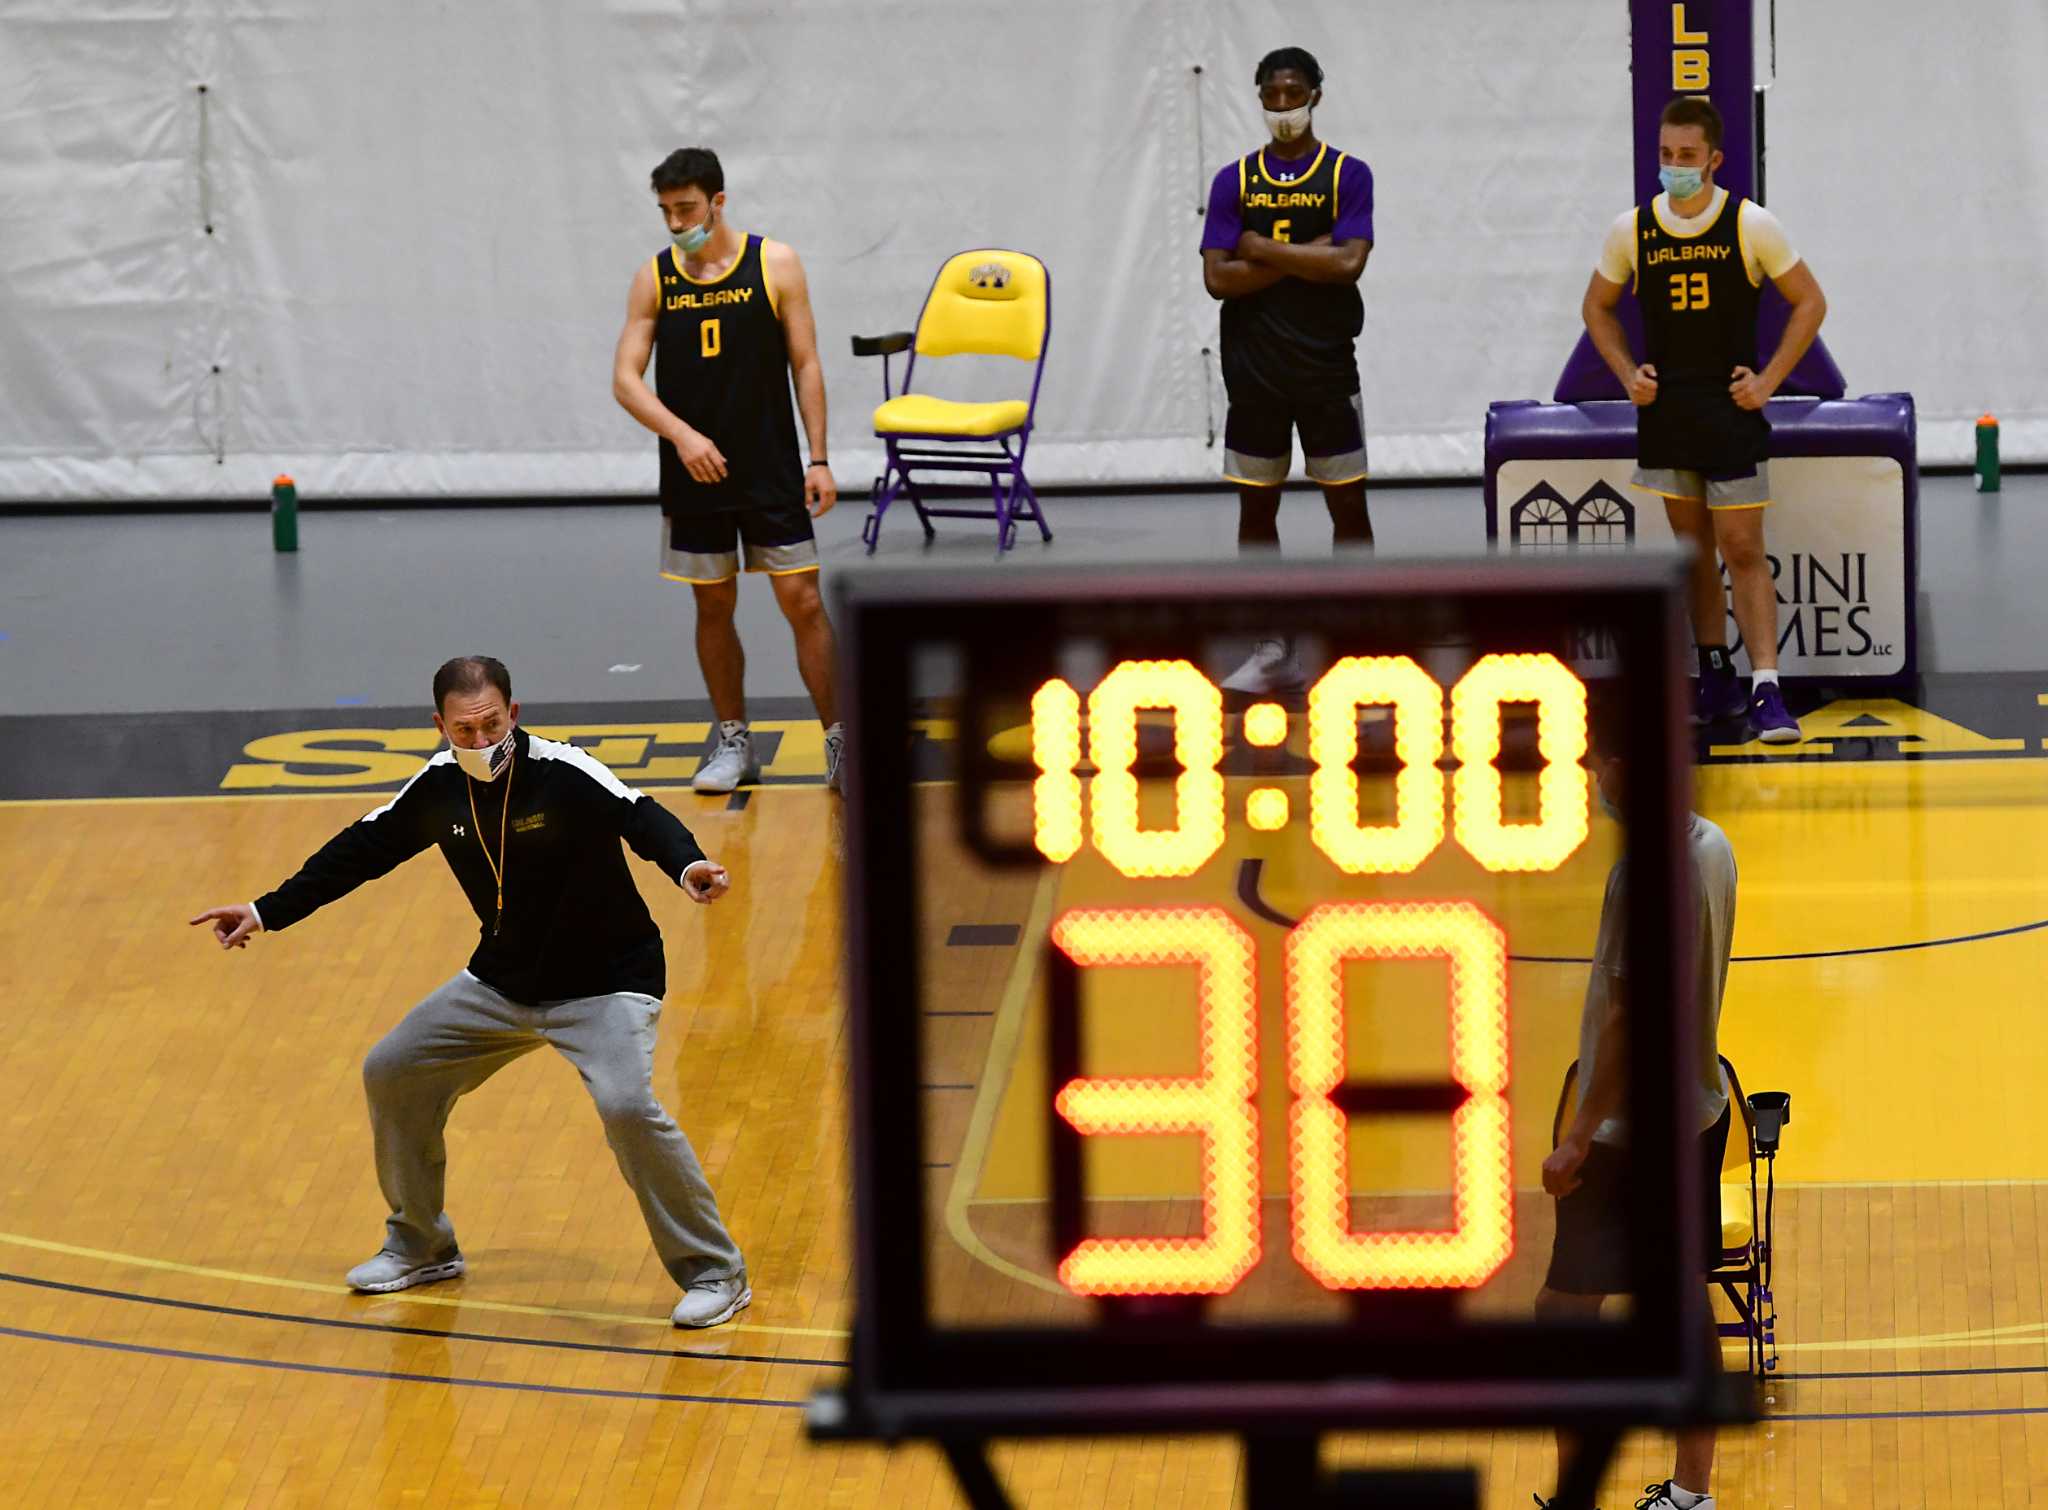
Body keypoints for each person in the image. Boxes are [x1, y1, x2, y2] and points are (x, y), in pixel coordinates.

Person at [188, 656, 753, 1329]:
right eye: (465, 729)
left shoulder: (564, 773)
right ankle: (421, 1244)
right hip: (502, 981)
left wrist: (685, 863)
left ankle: (717, 1272)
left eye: (492, 725)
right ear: (440, 726)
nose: (482, 742)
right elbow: (358, 852)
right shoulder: (435, 790)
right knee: (393, 1071)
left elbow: (641, 814)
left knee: (627, 1106)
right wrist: (264, 909)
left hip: (606, 983)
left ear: (513, 713)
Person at [1534, 710, 1737, 1510]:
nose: (1593, 781)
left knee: (1562, 1313)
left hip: (1627, 1132)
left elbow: (1629, 1016)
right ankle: (1692, 1494)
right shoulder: (1711, 844)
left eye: (1596, 764)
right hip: (1697, 1108)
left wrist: (1579, 1137)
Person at [1582, 96, 1828, 744]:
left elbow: (1809, 302)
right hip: (1667, 410)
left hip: (1729, 408)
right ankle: (1714, 673)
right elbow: (1597, 309)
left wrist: (1770, 380)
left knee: (1743, 549)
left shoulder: (1751, 225)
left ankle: (1768, 687)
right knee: (1692, 554)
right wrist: (1626, 373)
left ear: (1714, 159)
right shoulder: (1631, 229)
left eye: (1686, 157)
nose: (1674, 167)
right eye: (1666, 155)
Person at [612, 146, 845, 793]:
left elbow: (807, 364)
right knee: (713, 604)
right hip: (695, 475)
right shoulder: (654, 278)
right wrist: (682, 436)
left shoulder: (775, 263)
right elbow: (625, 380)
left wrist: (818, 457)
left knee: (801, 601)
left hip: (769, 468)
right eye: (665, 211)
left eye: (685, 208)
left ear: (718, 201)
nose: (675, 222)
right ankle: (735, 742)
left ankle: (840, 743)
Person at [1200, 45, 1374, 693]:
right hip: (1254, 371)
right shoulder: (1233, 181)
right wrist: (1309, 252)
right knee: (1256, 515)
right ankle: (1271, 645)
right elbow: (1218, 279)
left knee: (1349, 509)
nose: (1283, 107)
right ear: (1258, 97)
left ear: (1316, 95)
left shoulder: (1348, 174)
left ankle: (1359, 649)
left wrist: (1259, 248)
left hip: (1327, 367)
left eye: (1293, 93)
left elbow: (1350, 265)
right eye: (1271, 95)